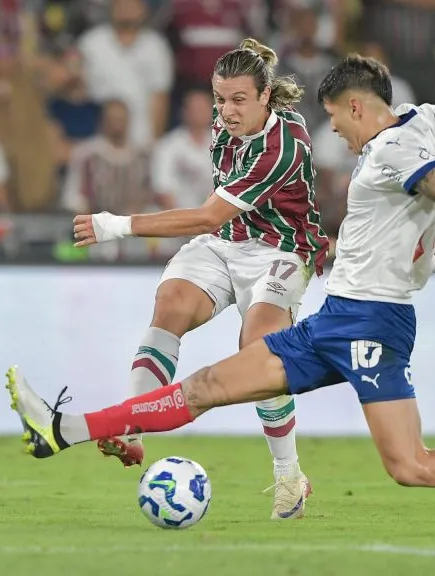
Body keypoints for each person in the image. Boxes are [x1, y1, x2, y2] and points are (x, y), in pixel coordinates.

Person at [7, 55, 435, 535]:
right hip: (333, 321)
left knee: (410, 466)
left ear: (357, 107)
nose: (334, 131)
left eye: (335, 118)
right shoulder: (428, 118)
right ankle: (62, 430)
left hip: (373, 327)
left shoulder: (391, 152)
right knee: (204, 388)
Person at [67, 38, 330, 520]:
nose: (226, 111)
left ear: (266, 97)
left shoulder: (283, 146)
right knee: (170, 304)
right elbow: (216, 222)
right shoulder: (224, 120)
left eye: (238, 100)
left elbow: (208, 215)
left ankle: (289, 476)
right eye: (220, 99)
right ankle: (131, 426)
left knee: (260, 347)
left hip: (282, 250)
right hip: (226, 241)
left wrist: (117, 225)